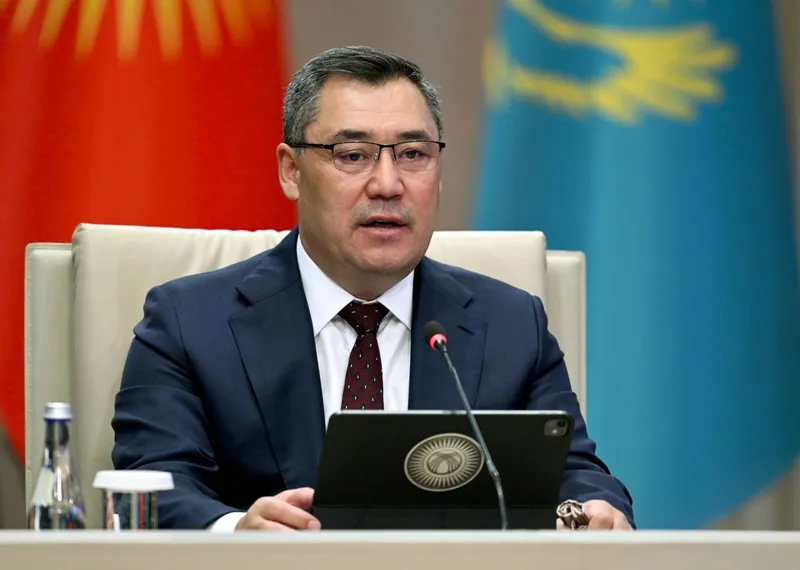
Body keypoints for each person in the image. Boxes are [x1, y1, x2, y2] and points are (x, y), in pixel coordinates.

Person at [111, 45, 634, 532]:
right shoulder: (188, 322)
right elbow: (151, 484)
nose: (387, 184)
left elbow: (577, 474)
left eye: (413, 154)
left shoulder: (511, 325)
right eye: (353, 155)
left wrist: (591, 513)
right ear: (291, 171)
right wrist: (234, 532)